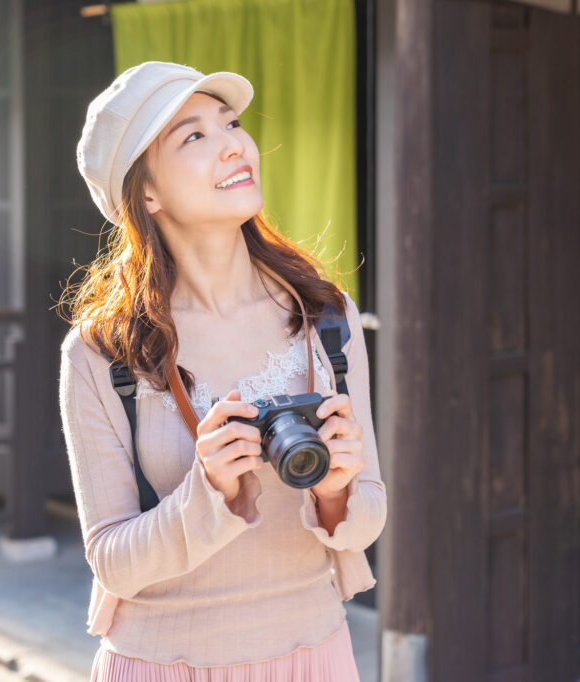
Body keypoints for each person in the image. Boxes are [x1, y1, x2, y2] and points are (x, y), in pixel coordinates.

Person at [60, 61, 386, 681]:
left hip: (313, 657)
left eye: (231, 123)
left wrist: (337, 489)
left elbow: (368, 516)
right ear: (146, 193)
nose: (235, 144)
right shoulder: (102, 350)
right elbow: (109, 559)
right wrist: (208, 490)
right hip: (158, 664)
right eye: (194, 136)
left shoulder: (326, 315)